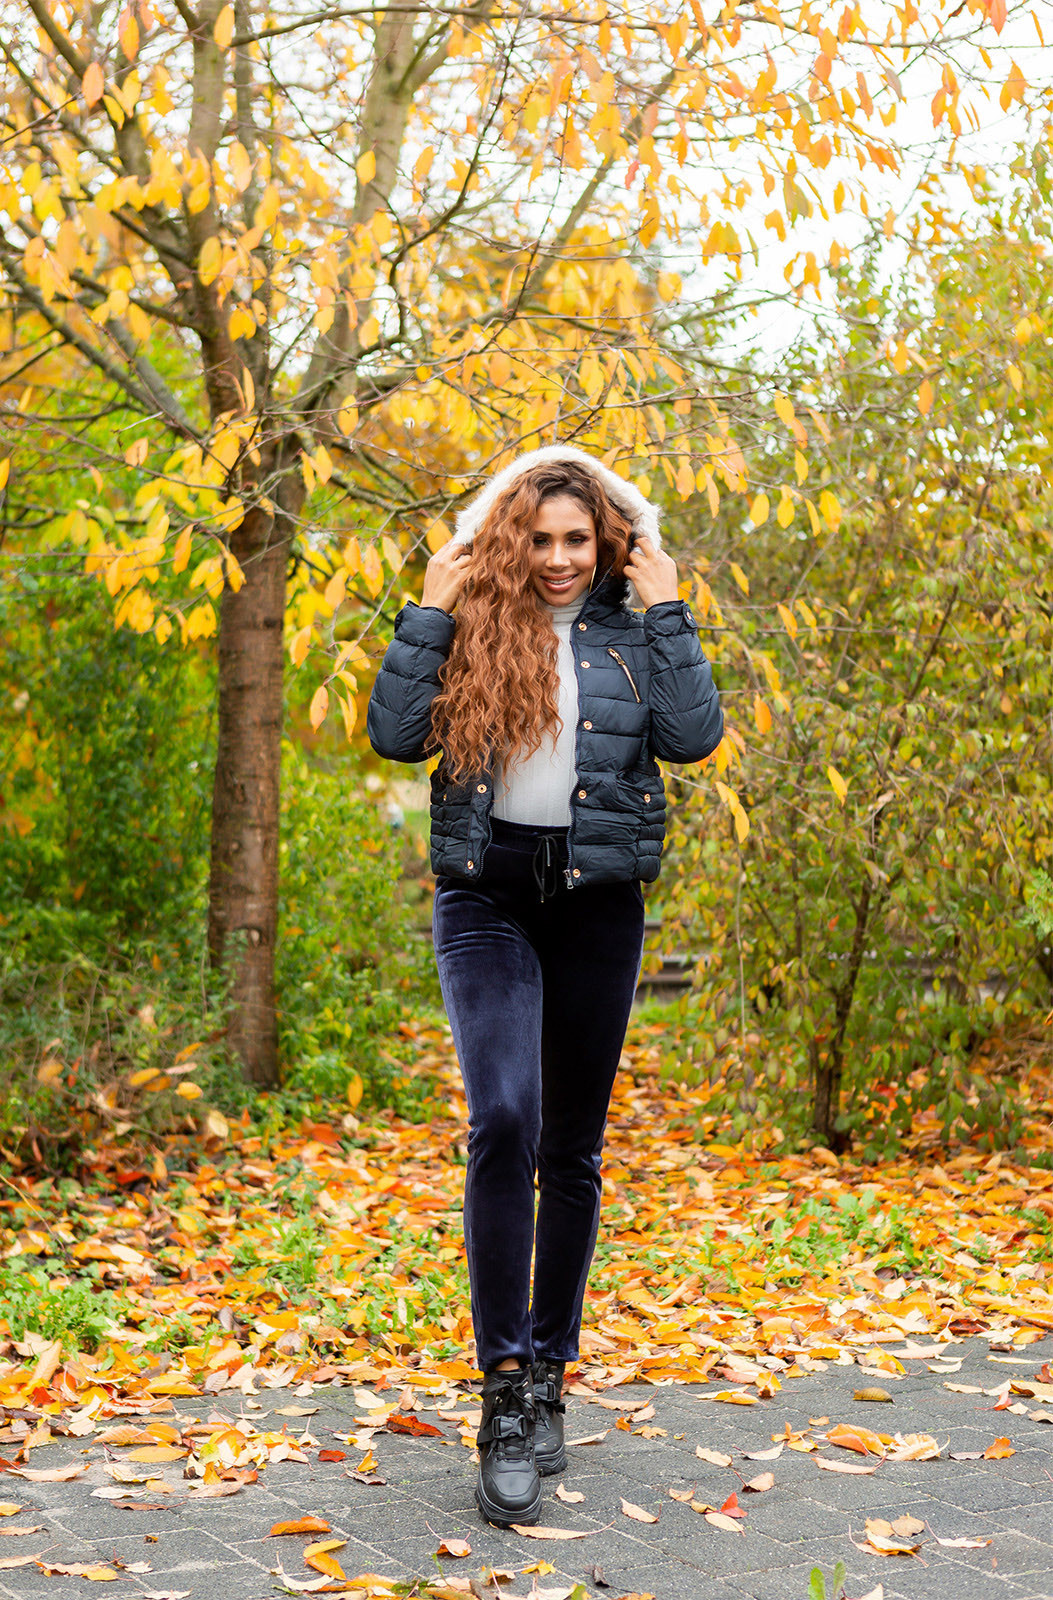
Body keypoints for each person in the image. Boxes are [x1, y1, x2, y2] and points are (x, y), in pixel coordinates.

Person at [367, 444, 722, 1526]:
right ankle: (504, 1392)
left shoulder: (630, 627)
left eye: (580, 539)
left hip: (598, 901)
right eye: (541, 538)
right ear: (508, 537)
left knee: (570, 1146)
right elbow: (393, 735)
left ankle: (554, 1375)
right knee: (503, 1119)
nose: (560, 559)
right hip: (487, 894)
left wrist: (669, 613)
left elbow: (693, 737)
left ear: (609, 541)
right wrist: (431, 607)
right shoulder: (476, 621)